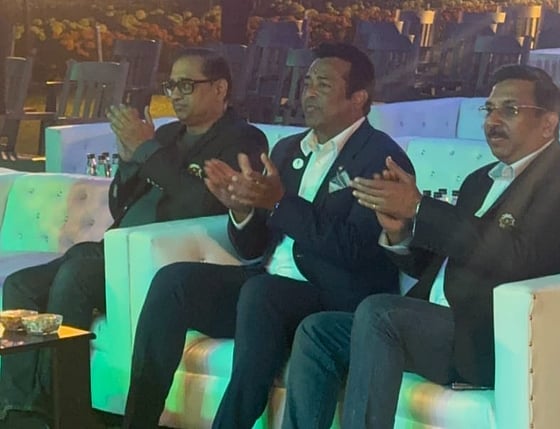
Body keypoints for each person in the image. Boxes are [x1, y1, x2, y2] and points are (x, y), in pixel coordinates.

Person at [281, 64, 560, 429]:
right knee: (318, 330)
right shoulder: (479, 181)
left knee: (379, 313)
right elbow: (438, 264)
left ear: (548, 123)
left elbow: (518, 257)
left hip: (487, 338)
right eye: (489, 109)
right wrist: (400, 233)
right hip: (431, 324)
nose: (493, 121)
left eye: (510, 110)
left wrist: (420, 207)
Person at [121, 42, 413, 429]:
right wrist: (241, 211)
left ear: (358, 97)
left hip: (333, 296)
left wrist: (279, 203)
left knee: (263, 293)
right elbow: (253, 248)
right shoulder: (289, 149)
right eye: (307, 83)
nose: (308, 93)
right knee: (174, 281)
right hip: (269, 285)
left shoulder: (380, 158)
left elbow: (356, 250)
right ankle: (137, 421)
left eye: (323, 85)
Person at [0, 48, 268, 428]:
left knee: (75, 277)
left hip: (160, 260)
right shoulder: (168, 135)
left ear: (220, 88)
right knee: (20, 286)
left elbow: (201, 202)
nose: (175, 94)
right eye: (171, 85)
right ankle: (21, 407)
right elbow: (120, 203)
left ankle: (63, 411)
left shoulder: (242, 139)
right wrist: (129, 160)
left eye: (186, 85)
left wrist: (147, 150)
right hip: (114, 247)